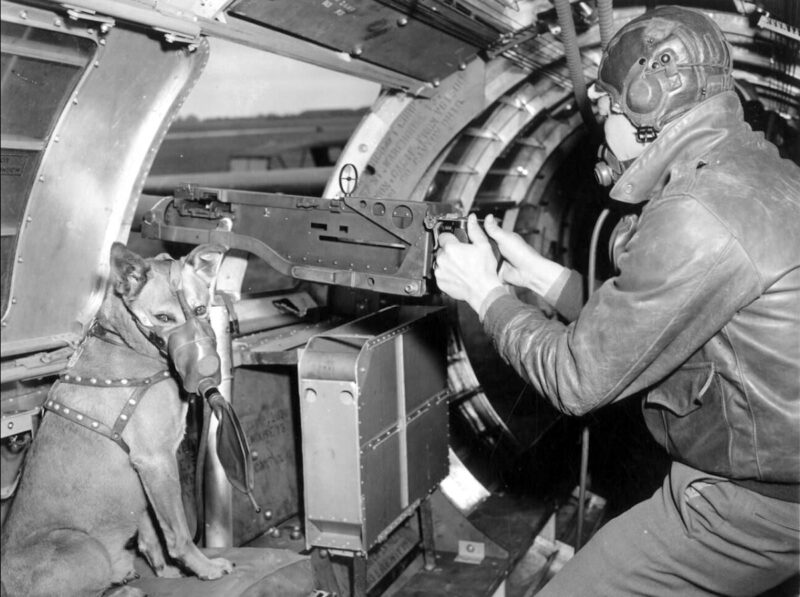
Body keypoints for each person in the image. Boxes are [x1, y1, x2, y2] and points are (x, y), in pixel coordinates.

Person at [434, 6, 800, 596]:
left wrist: (484, 293)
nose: (600, 123)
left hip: (753, 506)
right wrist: (539, 275)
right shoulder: (751, 172)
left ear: (648, 100)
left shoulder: (696, 214)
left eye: (605, 106)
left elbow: (578, 378)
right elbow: (662, 318)